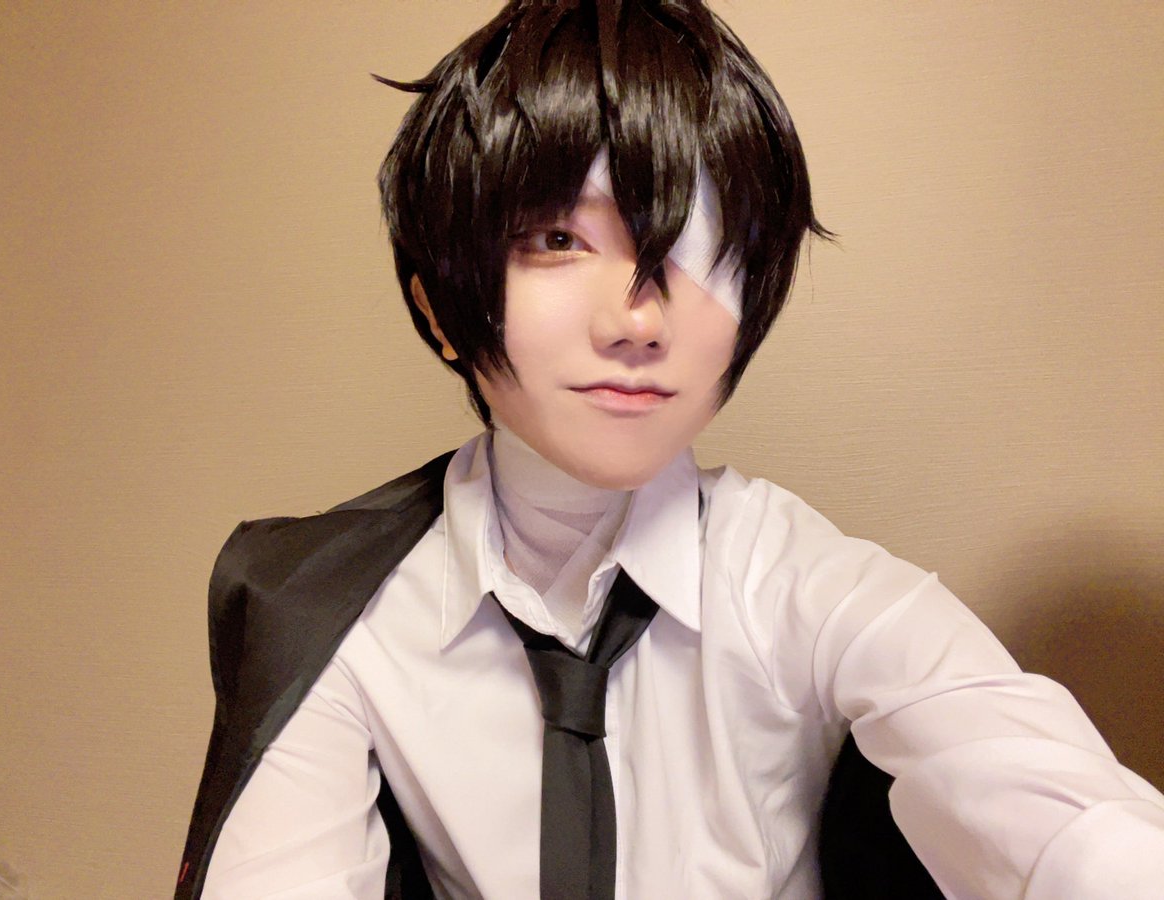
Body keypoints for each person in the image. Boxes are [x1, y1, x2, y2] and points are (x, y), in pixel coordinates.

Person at [176, 2, 1164, 897]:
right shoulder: (334, 613)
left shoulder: (808, 592)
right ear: (439, 308)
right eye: (558, 240)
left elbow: (1061, 819)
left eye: (696, 244)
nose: (638, 318)